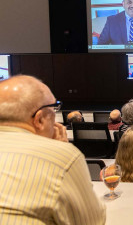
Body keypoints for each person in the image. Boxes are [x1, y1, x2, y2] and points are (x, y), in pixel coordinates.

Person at [0, 75, 105, 224]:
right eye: (54, 110)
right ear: (40, 119)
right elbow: (92, 221)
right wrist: (61, 149)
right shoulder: (62, 157)